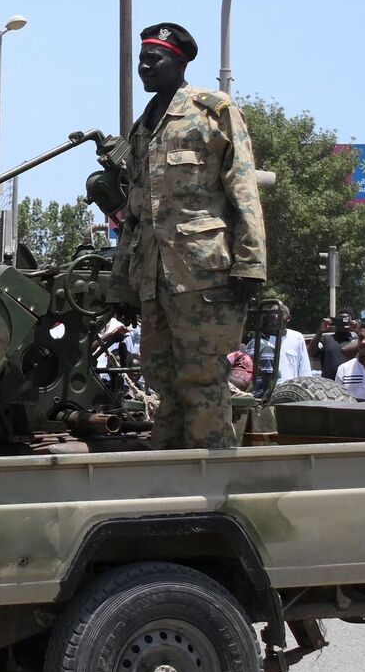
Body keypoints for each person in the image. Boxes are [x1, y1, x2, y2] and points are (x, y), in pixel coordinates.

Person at [106, 22, 267, 450]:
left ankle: (211, 481)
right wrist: (123, 283)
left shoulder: (212, 111)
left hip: (204, 275)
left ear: (179, 62)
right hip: (155, 279)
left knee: (202, 380)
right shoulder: (143, 127)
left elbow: (243, 188)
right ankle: (170, 474)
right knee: (162, 379)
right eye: (140, 60)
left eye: (153, 59)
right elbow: (136, 212)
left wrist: (251, 262)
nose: (144, 67)